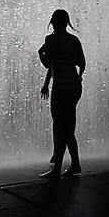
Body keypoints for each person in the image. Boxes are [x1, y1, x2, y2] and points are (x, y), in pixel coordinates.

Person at [38, 9, 86, 178]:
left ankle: (58, 168)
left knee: (60, 127)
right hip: (74, 87)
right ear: (66, 23)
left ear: (53, 22)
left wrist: (40, 55)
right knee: (67, 127)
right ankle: (74, 164)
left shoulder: (50, 40)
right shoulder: (74, 40)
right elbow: (82, 63)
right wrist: (78, 78)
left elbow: (49, 64)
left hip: (61, 87)